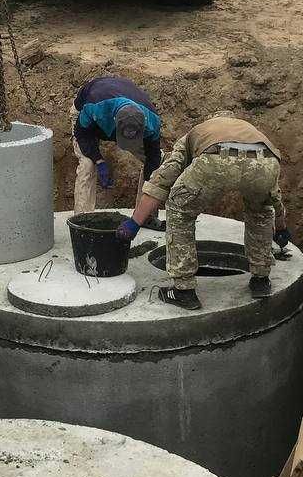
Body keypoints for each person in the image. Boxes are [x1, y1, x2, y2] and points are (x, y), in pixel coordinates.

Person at [116, 111, 289, 310]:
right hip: (266, 160)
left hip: (215, 156)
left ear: (210, 120)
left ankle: (184, 291)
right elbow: (273, 197)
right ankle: (261, 280)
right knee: (261, 211)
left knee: (179, 209)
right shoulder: (249, 130)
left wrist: (135, 222)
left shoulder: (196, 133)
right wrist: (282, 228)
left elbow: (164, 177)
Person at [70, 74, 163, 215]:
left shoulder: (152, 122)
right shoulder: (94, 107)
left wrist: (150, 182)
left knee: (156, 164)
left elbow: (153, 158)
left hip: (116, 99)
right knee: (87, 164)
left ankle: (145, 216)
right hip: (86, 119)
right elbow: (82, 134)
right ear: (114, 122)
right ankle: (82, 219)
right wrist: (99, 160)